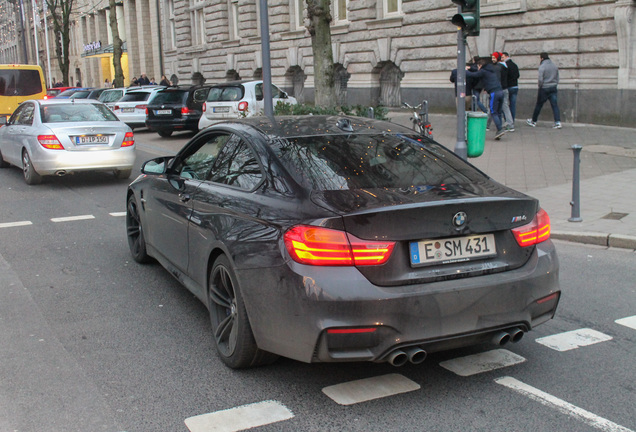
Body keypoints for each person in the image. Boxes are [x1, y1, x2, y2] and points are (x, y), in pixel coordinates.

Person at [466, 58, 507, 140]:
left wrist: (465, 71)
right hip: (500, 91)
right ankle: (499, 129)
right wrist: (470, 68)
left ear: (480, 65)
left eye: (478, 66)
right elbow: (477, 70)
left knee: (493, 112)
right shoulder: (490, 70)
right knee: (498, 112)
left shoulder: (483, 71)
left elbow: (474, 74)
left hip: (494, 93)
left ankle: (500, 129)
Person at [527, 52, 562, 129]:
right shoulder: (554, 66)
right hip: (553, 87)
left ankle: (534, 121)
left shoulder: (542, 66)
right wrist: (555, 84)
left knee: (539, 105)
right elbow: (557, 77)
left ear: (541, 58)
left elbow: (540, 79)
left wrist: (540, 86)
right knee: (554, 105)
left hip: (544, 88)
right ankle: (557, 122)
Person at [501, 52, 520, 125]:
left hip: (508, 87)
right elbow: (518, 75)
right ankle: (512, 121)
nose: (501, 59)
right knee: (513, 105)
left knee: (505, 105)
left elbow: (504, 76)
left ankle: (508, 121)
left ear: (506, 56)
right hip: (515, 86)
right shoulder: (515, 65)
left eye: (502, 57)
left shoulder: (505, 65)